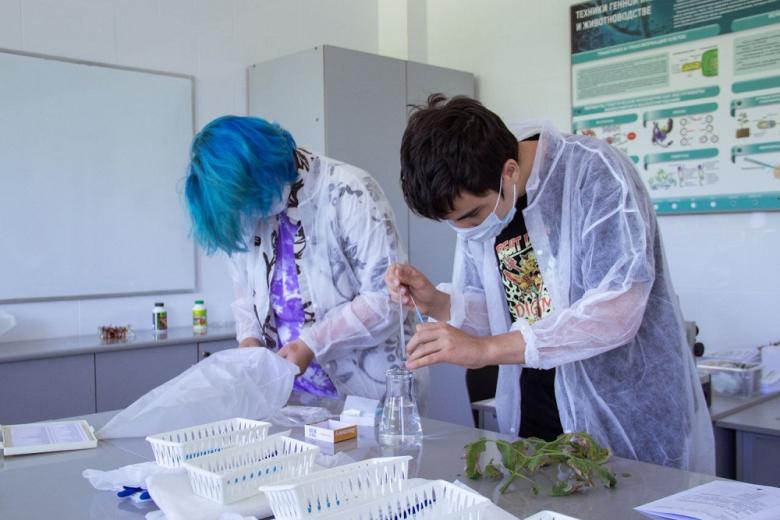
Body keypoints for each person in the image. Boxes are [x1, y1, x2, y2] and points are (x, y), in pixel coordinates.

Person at [386, 95, 714, 473]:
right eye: (455, 221)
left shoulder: (594, 174)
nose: (467, 230)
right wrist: (438, 303)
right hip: (539, 414)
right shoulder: (486, 207)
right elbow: (514, 313)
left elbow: (618, 311)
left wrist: (484, 350)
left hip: (623, 416)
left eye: (472, 215)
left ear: (509, 171)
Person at [185, 115, 415, 400]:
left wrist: (312, 343)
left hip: (370, 393)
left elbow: (388, 299)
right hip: (289, 397)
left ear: (264, 169)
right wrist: (249, 340)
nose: (249, 214)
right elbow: (245, 294)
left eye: (248, 201)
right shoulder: (240, 210)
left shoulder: (349, 191)